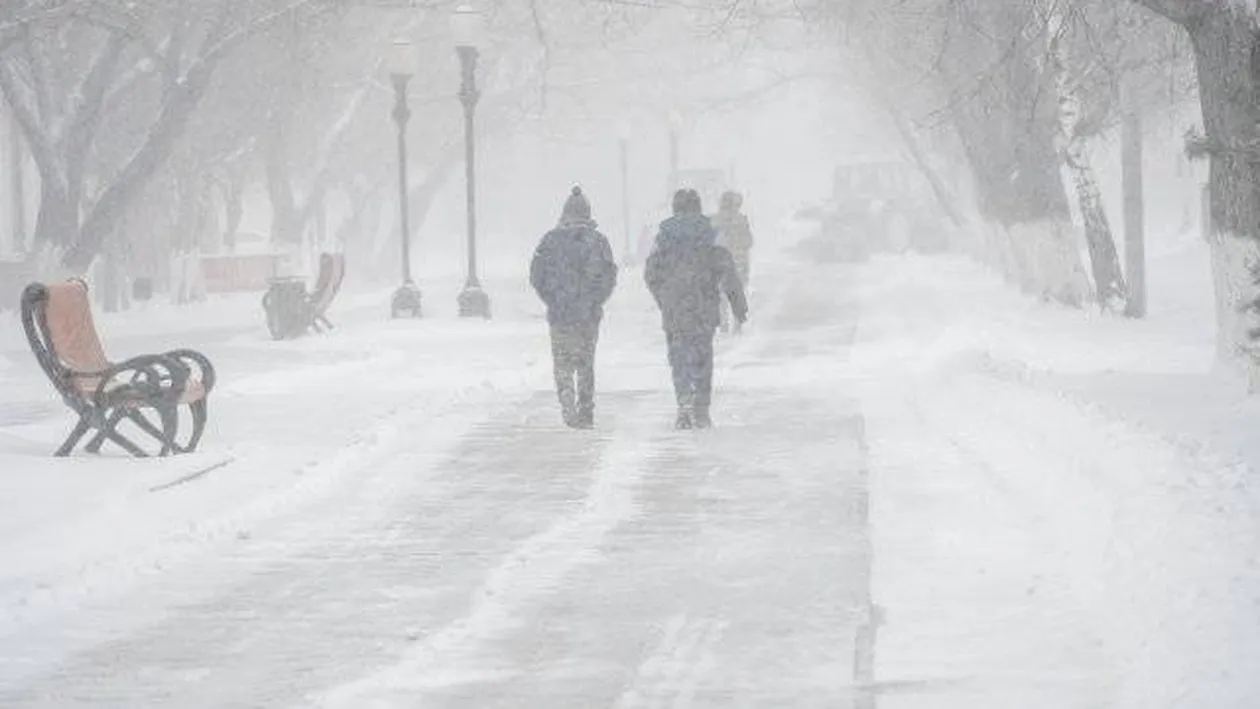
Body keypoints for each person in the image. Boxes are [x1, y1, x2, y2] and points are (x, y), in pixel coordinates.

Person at [645, 188, 748, 430]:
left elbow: (651, 272)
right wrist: (738, 305)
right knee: (702, 355)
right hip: (704, 304)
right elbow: (727, 270)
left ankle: (684, 399)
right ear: (698, 207)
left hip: (675, 308)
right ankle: (701, 407)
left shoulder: (663, 236)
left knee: (678, 355)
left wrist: (663, 297)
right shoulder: (712, 234)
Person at [530, 186, 618, 429]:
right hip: (588, 313)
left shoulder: (549, 241)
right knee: (586, 362)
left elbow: (537, 275)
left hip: (560, 313)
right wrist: (596, 299)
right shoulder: (598, 241)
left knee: (562, 362)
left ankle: (567, 404)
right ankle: (586, 409)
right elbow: (609, 275)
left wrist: (552, 298)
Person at [710, 190, 754, 333]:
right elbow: (749, 241)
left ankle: (723, 325)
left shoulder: (713, 220)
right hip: (738, 261)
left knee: (721, 294)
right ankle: (737, 324)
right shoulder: (741, 220)